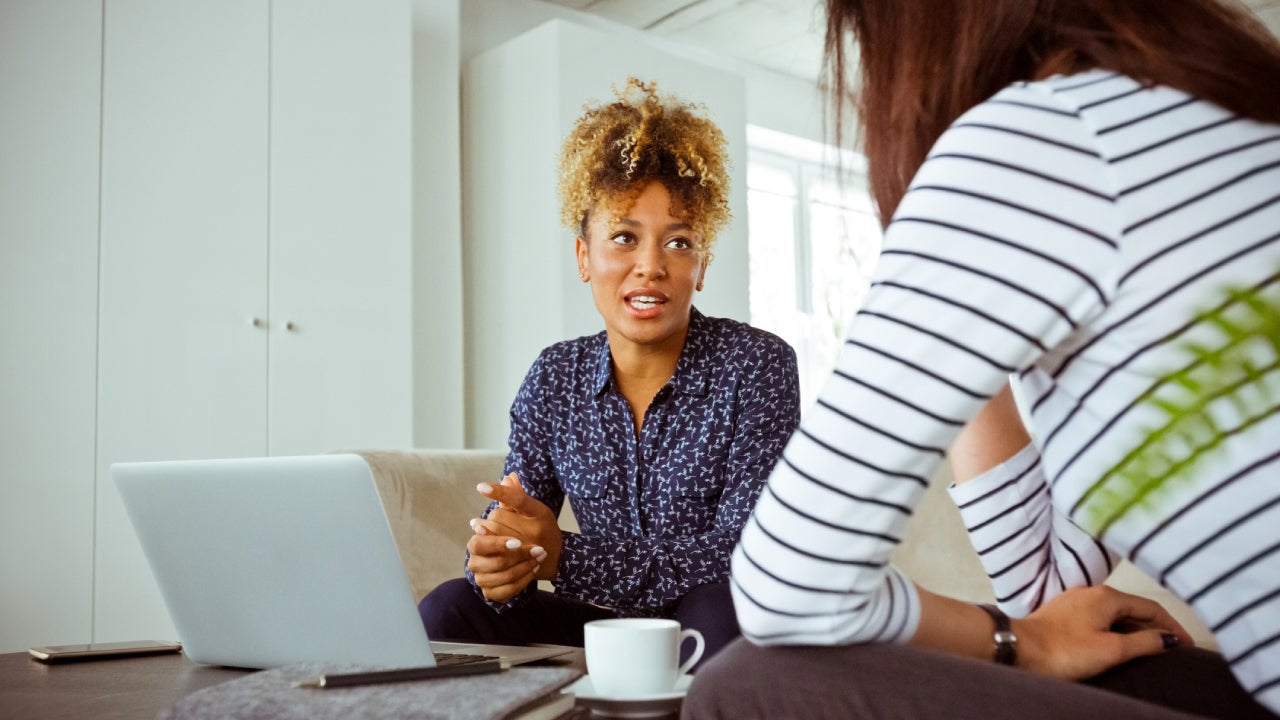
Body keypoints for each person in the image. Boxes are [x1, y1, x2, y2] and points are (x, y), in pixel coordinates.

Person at [683, 0, 1280, 717]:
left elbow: (786, 583)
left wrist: (1013, 640)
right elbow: (1053, 600)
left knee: (745, 681)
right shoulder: (1216, 122)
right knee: (1104, 655)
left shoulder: (1048, 136)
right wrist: (969, 337)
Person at [418, 78, 801, 669]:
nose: (650, 266)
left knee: (722, 614)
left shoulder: (757, 365)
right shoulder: (555, 377)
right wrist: (499, 558)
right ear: (583, 256)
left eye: (679, 242)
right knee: (447, 610)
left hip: (709, 617)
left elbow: (746, 554)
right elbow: (519, 526)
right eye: (624, 237)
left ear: (701, 267)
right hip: (598, 624)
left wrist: (563, 559)